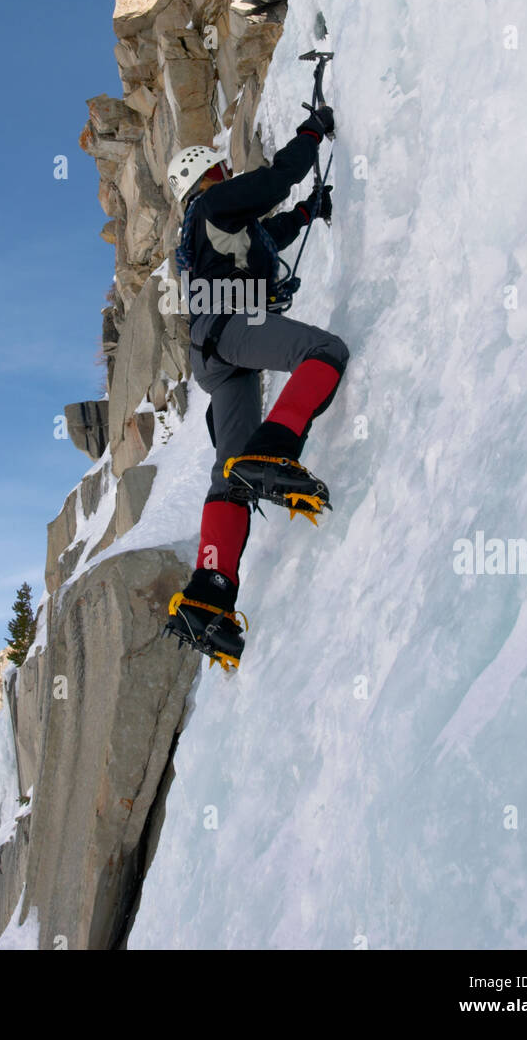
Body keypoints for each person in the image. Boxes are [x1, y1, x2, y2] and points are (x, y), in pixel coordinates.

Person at [163, 99, 349, 664]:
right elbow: (273, 183)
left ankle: (207, 602)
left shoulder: (208, 230)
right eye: (221, 169)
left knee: (231, 473)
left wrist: (310, 213)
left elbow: (267, 233)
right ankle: (277, 449)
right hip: (231, 329)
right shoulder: (216, 202)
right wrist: (311, 132)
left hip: (215, 354)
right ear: (209, 176)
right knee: (324, 349)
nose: (227, 173)